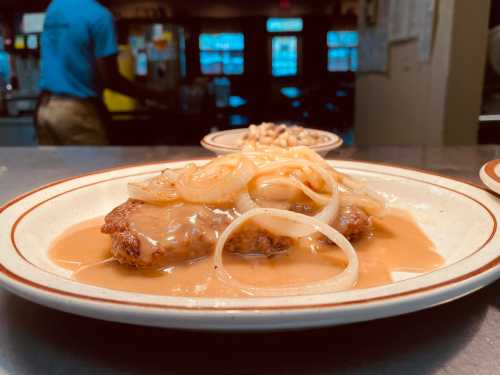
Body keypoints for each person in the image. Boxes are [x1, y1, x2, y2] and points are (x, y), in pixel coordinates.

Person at [36, 0, 167, 145]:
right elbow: (110, 79)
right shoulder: (99, 16)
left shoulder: (55, 6)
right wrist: (156, 95)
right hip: (76, 112)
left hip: (44, 109)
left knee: (54, 168)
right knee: (96, 167)